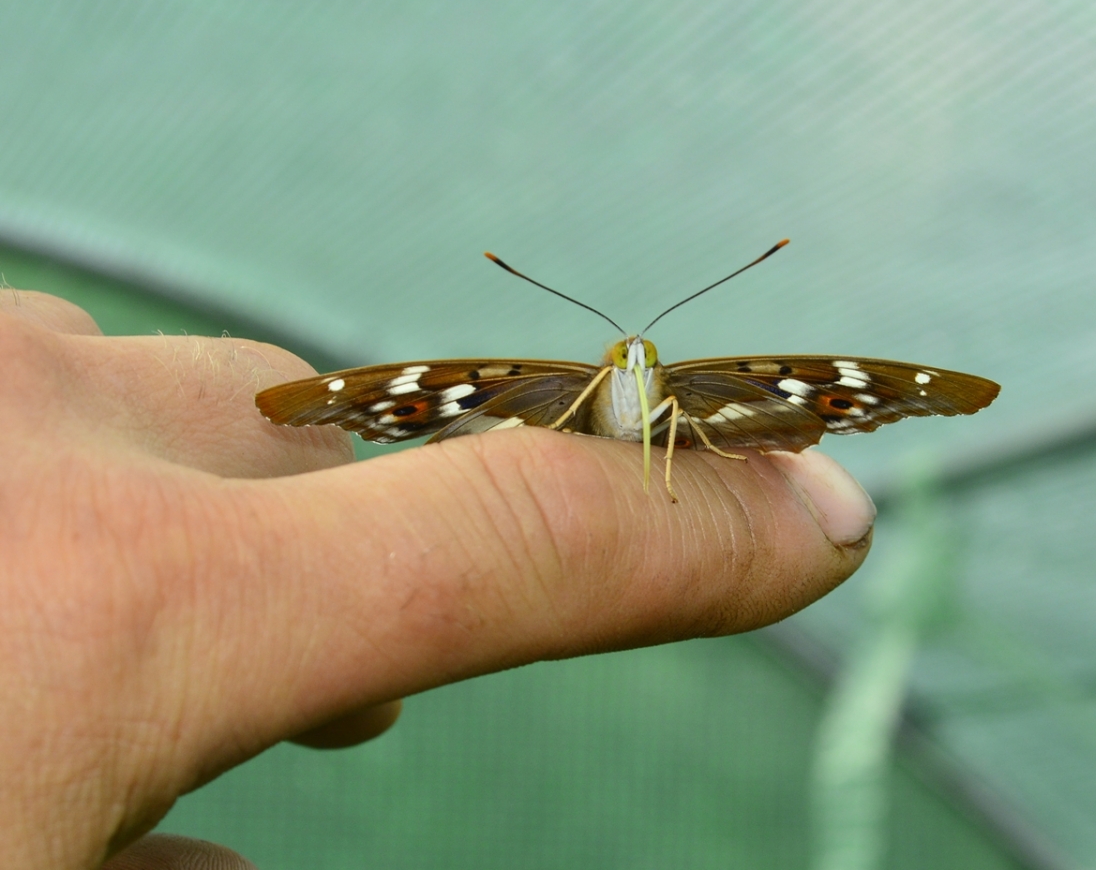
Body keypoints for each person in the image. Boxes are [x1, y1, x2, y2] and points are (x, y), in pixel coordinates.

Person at [0, 289, 875, 870]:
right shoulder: (570, 388)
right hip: (557, 436)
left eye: (643, 364)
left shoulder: (684, 389)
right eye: (626, 362)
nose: (637, 369)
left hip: (700, 434)